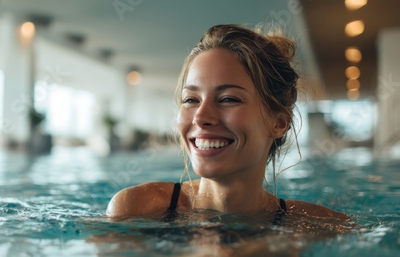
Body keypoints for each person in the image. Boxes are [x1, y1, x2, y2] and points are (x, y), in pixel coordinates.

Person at [105, 24, 348, 221]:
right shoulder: (136, 210)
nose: (201, 117)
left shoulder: (317, 226)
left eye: (228, 99)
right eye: (191, 99)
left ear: (279, 123)